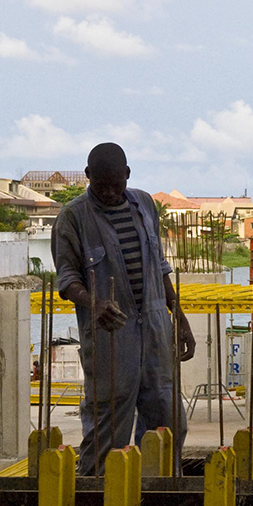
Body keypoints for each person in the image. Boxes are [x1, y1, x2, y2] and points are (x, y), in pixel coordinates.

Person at [54, 143, 195, 475]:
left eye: (115, 185)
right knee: (108, 433)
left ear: (127, 175)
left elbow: (159, 267)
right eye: (100, 185)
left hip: (156, 333)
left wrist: (180, 318)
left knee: (169, 423)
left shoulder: (145, 204)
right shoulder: (72, 217)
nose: (108, 193)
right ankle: (97, 503)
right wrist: (94, 302)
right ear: (87, 176)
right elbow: (67, 278)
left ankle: (156, 498)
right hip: (111, 338)